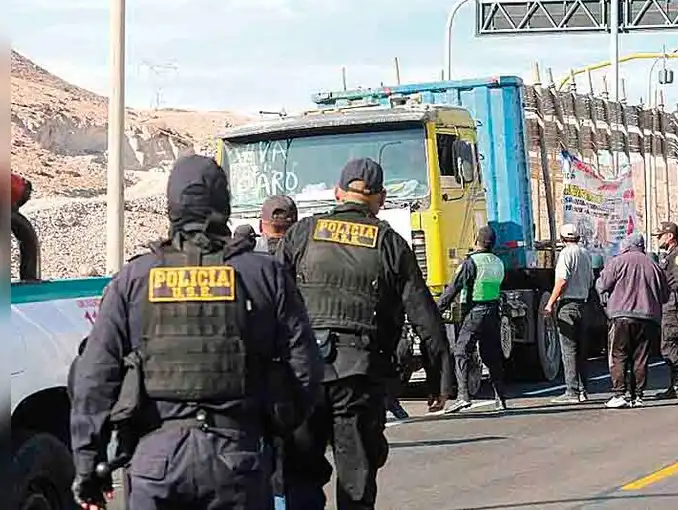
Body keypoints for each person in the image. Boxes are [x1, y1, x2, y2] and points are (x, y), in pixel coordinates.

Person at [69, 154, 323, 510]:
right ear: (224, 203)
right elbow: (307, 372)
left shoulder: (134, 280)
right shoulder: (264, 276)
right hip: (238, 459)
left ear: (172, 205)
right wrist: (274, 425)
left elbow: (95, 375)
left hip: (154, 465)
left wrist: (87, 464)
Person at [275, 157, 450, 510]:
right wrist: (438, 381)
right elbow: (424, 316)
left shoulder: (302, 233)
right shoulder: (390, 244)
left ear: (338, 193)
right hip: (360, 376)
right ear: (380, 198)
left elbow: (271, 299)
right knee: (356, 478)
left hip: (304, 374)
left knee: (299, 476)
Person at [437, 225, 509, 413]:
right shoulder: (498, 262)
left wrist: (436, 310)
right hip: (493, 312)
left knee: (461, 351)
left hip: (474, 311)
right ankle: (500, 398)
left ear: (477, 241)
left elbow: (454, 288)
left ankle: (463, 397)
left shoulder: (471, 262)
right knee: (492, 356)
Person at [595, 233, 665, 409]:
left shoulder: (618, 261)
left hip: (622, 316)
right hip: (648, 318)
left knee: (619, 355)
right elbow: (665, 294)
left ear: (626, 245)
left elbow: (602, 284)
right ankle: (638, 396)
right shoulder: (654, 266)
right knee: (640, 358)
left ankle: (620, 394)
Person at [544, 223, 595, 404]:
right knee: (581, 350)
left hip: (568, 306)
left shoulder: (566, 254)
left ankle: (571, 391)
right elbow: (591, 281)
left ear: (562, 238)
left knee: (568, 350)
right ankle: (583, 390)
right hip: (583, 304)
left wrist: (550, 303)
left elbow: (562, 280)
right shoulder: (585, 254)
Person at [652, 221, 678, 400]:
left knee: (670, 345)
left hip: (672, 305)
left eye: (660, 235)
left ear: (670, 236)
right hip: (669, 303)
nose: (658, 239)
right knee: (673, 345)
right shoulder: (669, 255)